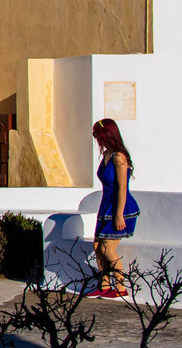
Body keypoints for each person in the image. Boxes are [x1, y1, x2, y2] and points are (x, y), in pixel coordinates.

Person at [91, 118, 139, 298]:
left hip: (120, 207)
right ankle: (104, 285)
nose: (97, 139)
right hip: (106, 205)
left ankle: (120, 287)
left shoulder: (119, 157)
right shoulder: (106, 155)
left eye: (99, 135)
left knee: (108, 249)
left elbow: (122, 188)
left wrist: (119, 215)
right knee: (97, 245)